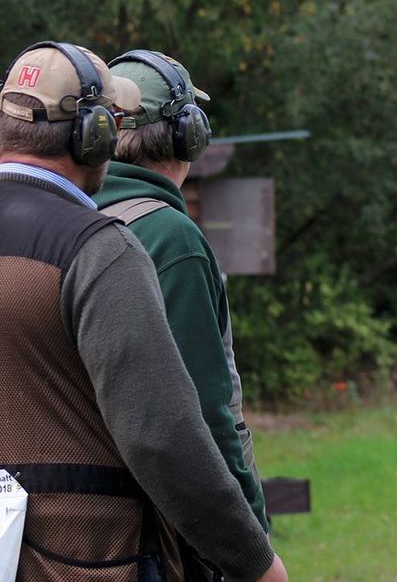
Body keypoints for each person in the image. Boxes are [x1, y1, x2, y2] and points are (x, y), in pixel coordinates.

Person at [0, 41, 287, 582]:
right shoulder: (97, 250)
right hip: (90, 555)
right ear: (94, 136)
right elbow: (164, 437)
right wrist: (254, 560)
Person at [93, 49, 270, 535]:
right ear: (187, 136)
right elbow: (205, 414)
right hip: (153, 525)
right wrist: (250, 537)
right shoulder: (172, 239)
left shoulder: (65, 222)